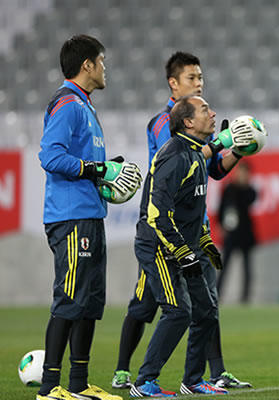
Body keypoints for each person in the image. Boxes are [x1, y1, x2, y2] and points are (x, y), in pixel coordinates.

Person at [112, 52, 251, 392]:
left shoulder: (195, 152)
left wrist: (203, 243)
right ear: (187, 120)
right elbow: (158, 213)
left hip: (186, 241)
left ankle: (194, 380)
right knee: (169, 310)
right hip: (160, 244)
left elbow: (203, 190)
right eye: (205, 109)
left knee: (205, 309)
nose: (213, 112)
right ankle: (141, 380)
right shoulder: (175, 150)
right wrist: (183, 251)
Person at [37, 34, 131, 400]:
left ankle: (78, 384)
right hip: (71, 218)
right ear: (87, 65)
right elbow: (50, 157)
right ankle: (49, 386)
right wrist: (96, 168)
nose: (105, 68)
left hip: (90, 215)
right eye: (101, 61)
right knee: (70, 299)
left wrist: (106, 176)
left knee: (89, 303)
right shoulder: (67, 104)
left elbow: (87, 168)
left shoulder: (84, 105)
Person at [217, 162, 257, 303]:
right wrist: (221, 226)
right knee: (224, 265)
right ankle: (217, 293)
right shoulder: (229, 189)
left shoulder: (250, 190)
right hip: (231, 233)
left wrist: (243, 186)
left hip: (245, 232)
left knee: (247, 266)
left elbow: (249, 201)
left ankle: (245, 297)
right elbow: (222, 208)